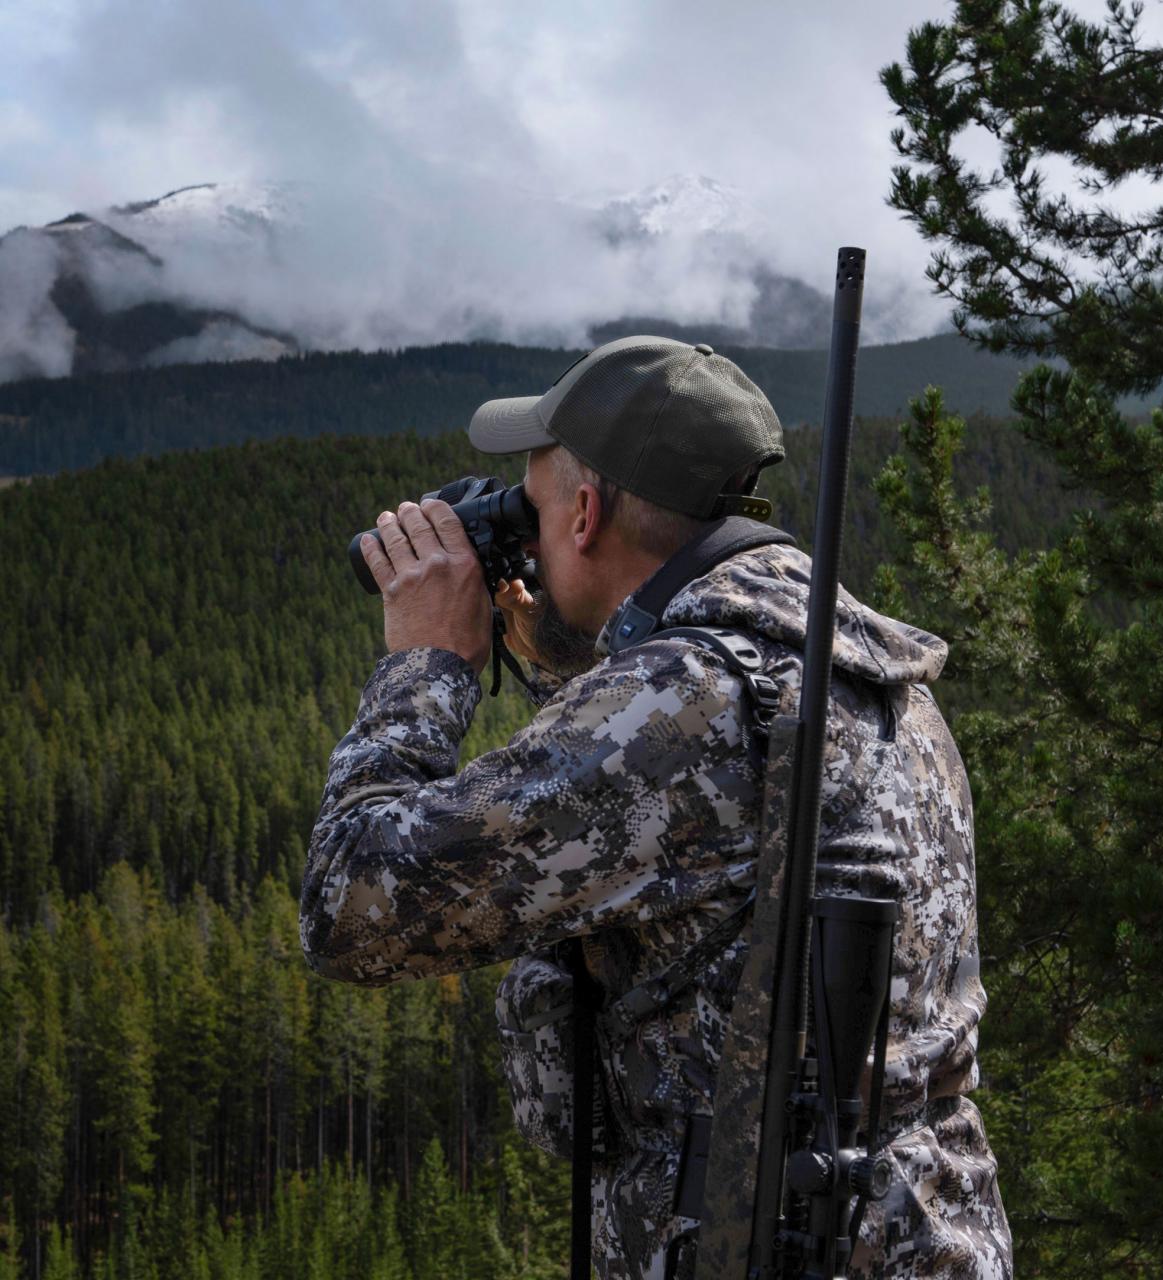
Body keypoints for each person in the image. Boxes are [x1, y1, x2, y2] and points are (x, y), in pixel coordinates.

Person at [299, 335, 1012, 1279]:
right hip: (930, 1237)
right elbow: (685, 839)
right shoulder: (867, 673)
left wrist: (423, 667)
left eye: (535, 503)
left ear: (586, 512)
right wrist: (562, 653)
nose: (529, 529)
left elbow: (352, 908)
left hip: (748, 1246)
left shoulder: (682, 705)